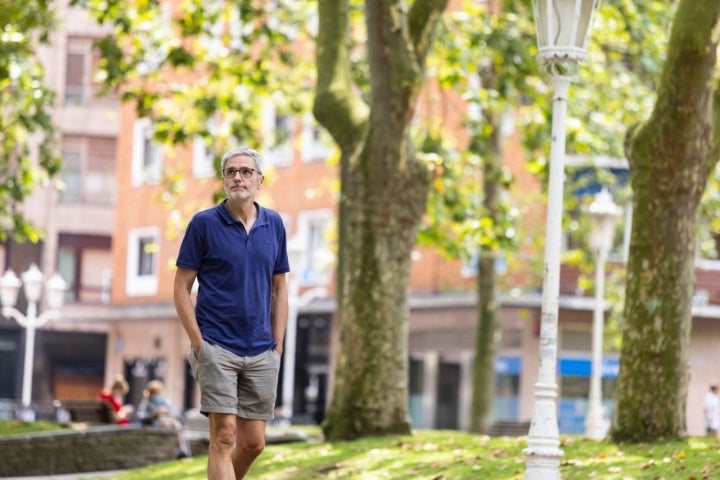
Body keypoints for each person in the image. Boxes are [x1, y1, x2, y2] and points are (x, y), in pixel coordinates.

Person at [174, 146, 289, 480]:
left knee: (253, 443)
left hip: (261, 349)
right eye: (231, 172)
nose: (238, 177)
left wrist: (277, 345)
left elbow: (280, 287)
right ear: (224, 179)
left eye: (246, 171)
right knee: (224, 436)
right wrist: (199, 344)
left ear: (260, 180)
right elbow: (181, 288)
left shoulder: (275, 224)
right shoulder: (204, 224)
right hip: (216, 346)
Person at [136, 379, 192, 458]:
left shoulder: (165, 402)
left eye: (158, 392)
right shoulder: (146, 403)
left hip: (169, 422)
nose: (156, 395)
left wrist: (167, 412)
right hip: (154, 424)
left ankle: (182, 449)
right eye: (154, 393)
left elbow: (177, 413)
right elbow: (141, 417)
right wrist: (154, 414)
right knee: (169, 425)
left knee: (176, 424)